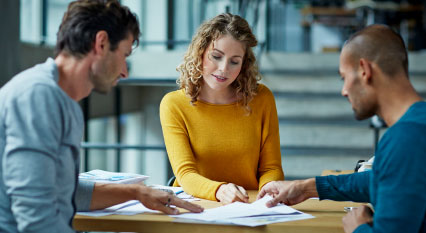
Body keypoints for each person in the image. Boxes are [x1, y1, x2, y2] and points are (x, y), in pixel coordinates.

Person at [0, 1, 202, 232]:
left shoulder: (64, 103)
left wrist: (137, 192)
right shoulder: (38, 97)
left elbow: (62, 190)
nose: (125, 71)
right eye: (124, 55)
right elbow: (36, 219)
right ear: (101, 43)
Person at [257, 24, 426, 233]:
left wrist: (358, 228)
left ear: (364, 71)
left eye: (344, 78)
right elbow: (381, 180)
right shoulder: (418, 123)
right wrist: (308, 187)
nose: (344, 91)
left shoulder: (405, 138)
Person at [159, 13, 284, 204]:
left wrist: (268, 193)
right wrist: (219, 190)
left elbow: (271, 168)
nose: (224, 68)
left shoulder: (261, 99)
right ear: (199, 52)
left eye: (234, 61)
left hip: (249, 206)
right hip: (195, 207)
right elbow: (185, 173)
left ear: (244, 64)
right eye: (216, 57)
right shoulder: (174, 105)